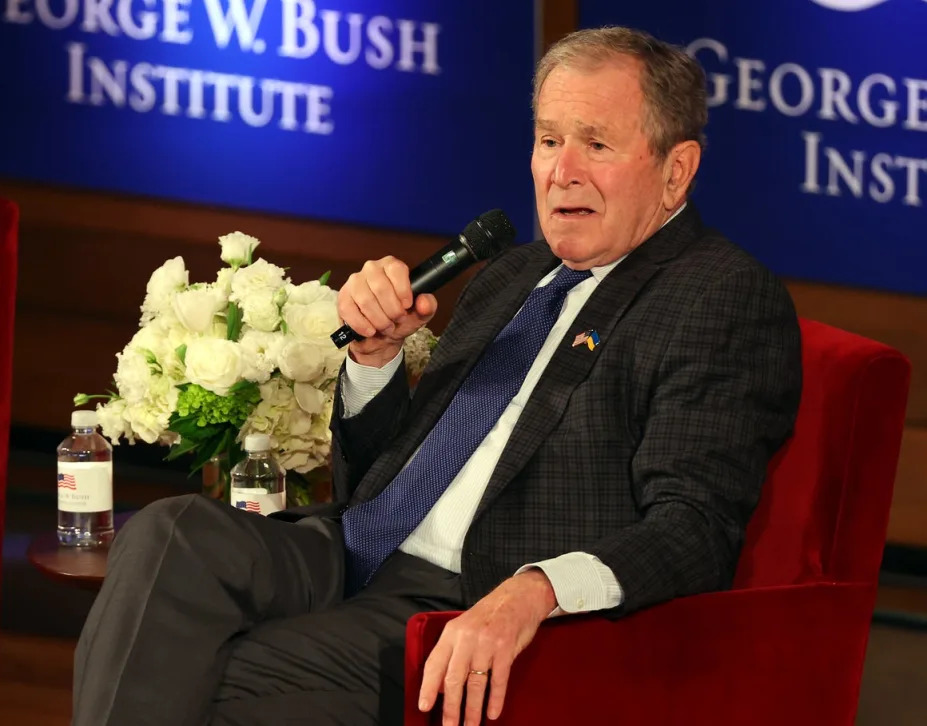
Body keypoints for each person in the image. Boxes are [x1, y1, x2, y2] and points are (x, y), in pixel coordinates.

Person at [72, 26, 802, 726]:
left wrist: (533, 591)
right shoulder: (514, 273)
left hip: (467, 600)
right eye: (548, 140)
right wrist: (374, 360)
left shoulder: (717, 294)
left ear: (676, 170)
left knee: (196, 676)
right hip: (355, 552)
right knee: (169, 534)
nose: (560, 170)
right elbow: (383, 475)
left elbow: (696, 527)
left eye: (596, 144)